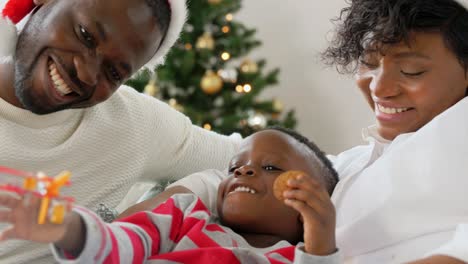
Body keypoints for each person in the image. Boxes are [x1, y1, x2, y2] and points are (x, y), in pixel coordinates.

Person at [135, 0, 468, 263]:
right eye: (368, 64)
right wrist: (130, 222)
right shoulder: (357, 162)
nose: (380, 88)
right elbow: (264, 171)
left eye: (411, 70)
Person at [0, 0, 240, 262]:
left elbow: (256, 164)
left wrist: (160, 207)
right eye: (85, 34)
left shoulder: (134, 123)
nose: (86, 73)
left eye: (113, 72)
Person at [0, 127, 341, 263]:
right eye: (235, 166)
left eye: (271, 168)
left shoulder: (289, 258)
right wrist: (69, 228)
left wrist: (321, 237)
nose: (243, 171)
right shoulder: (183, 214)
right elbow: (120, 245)